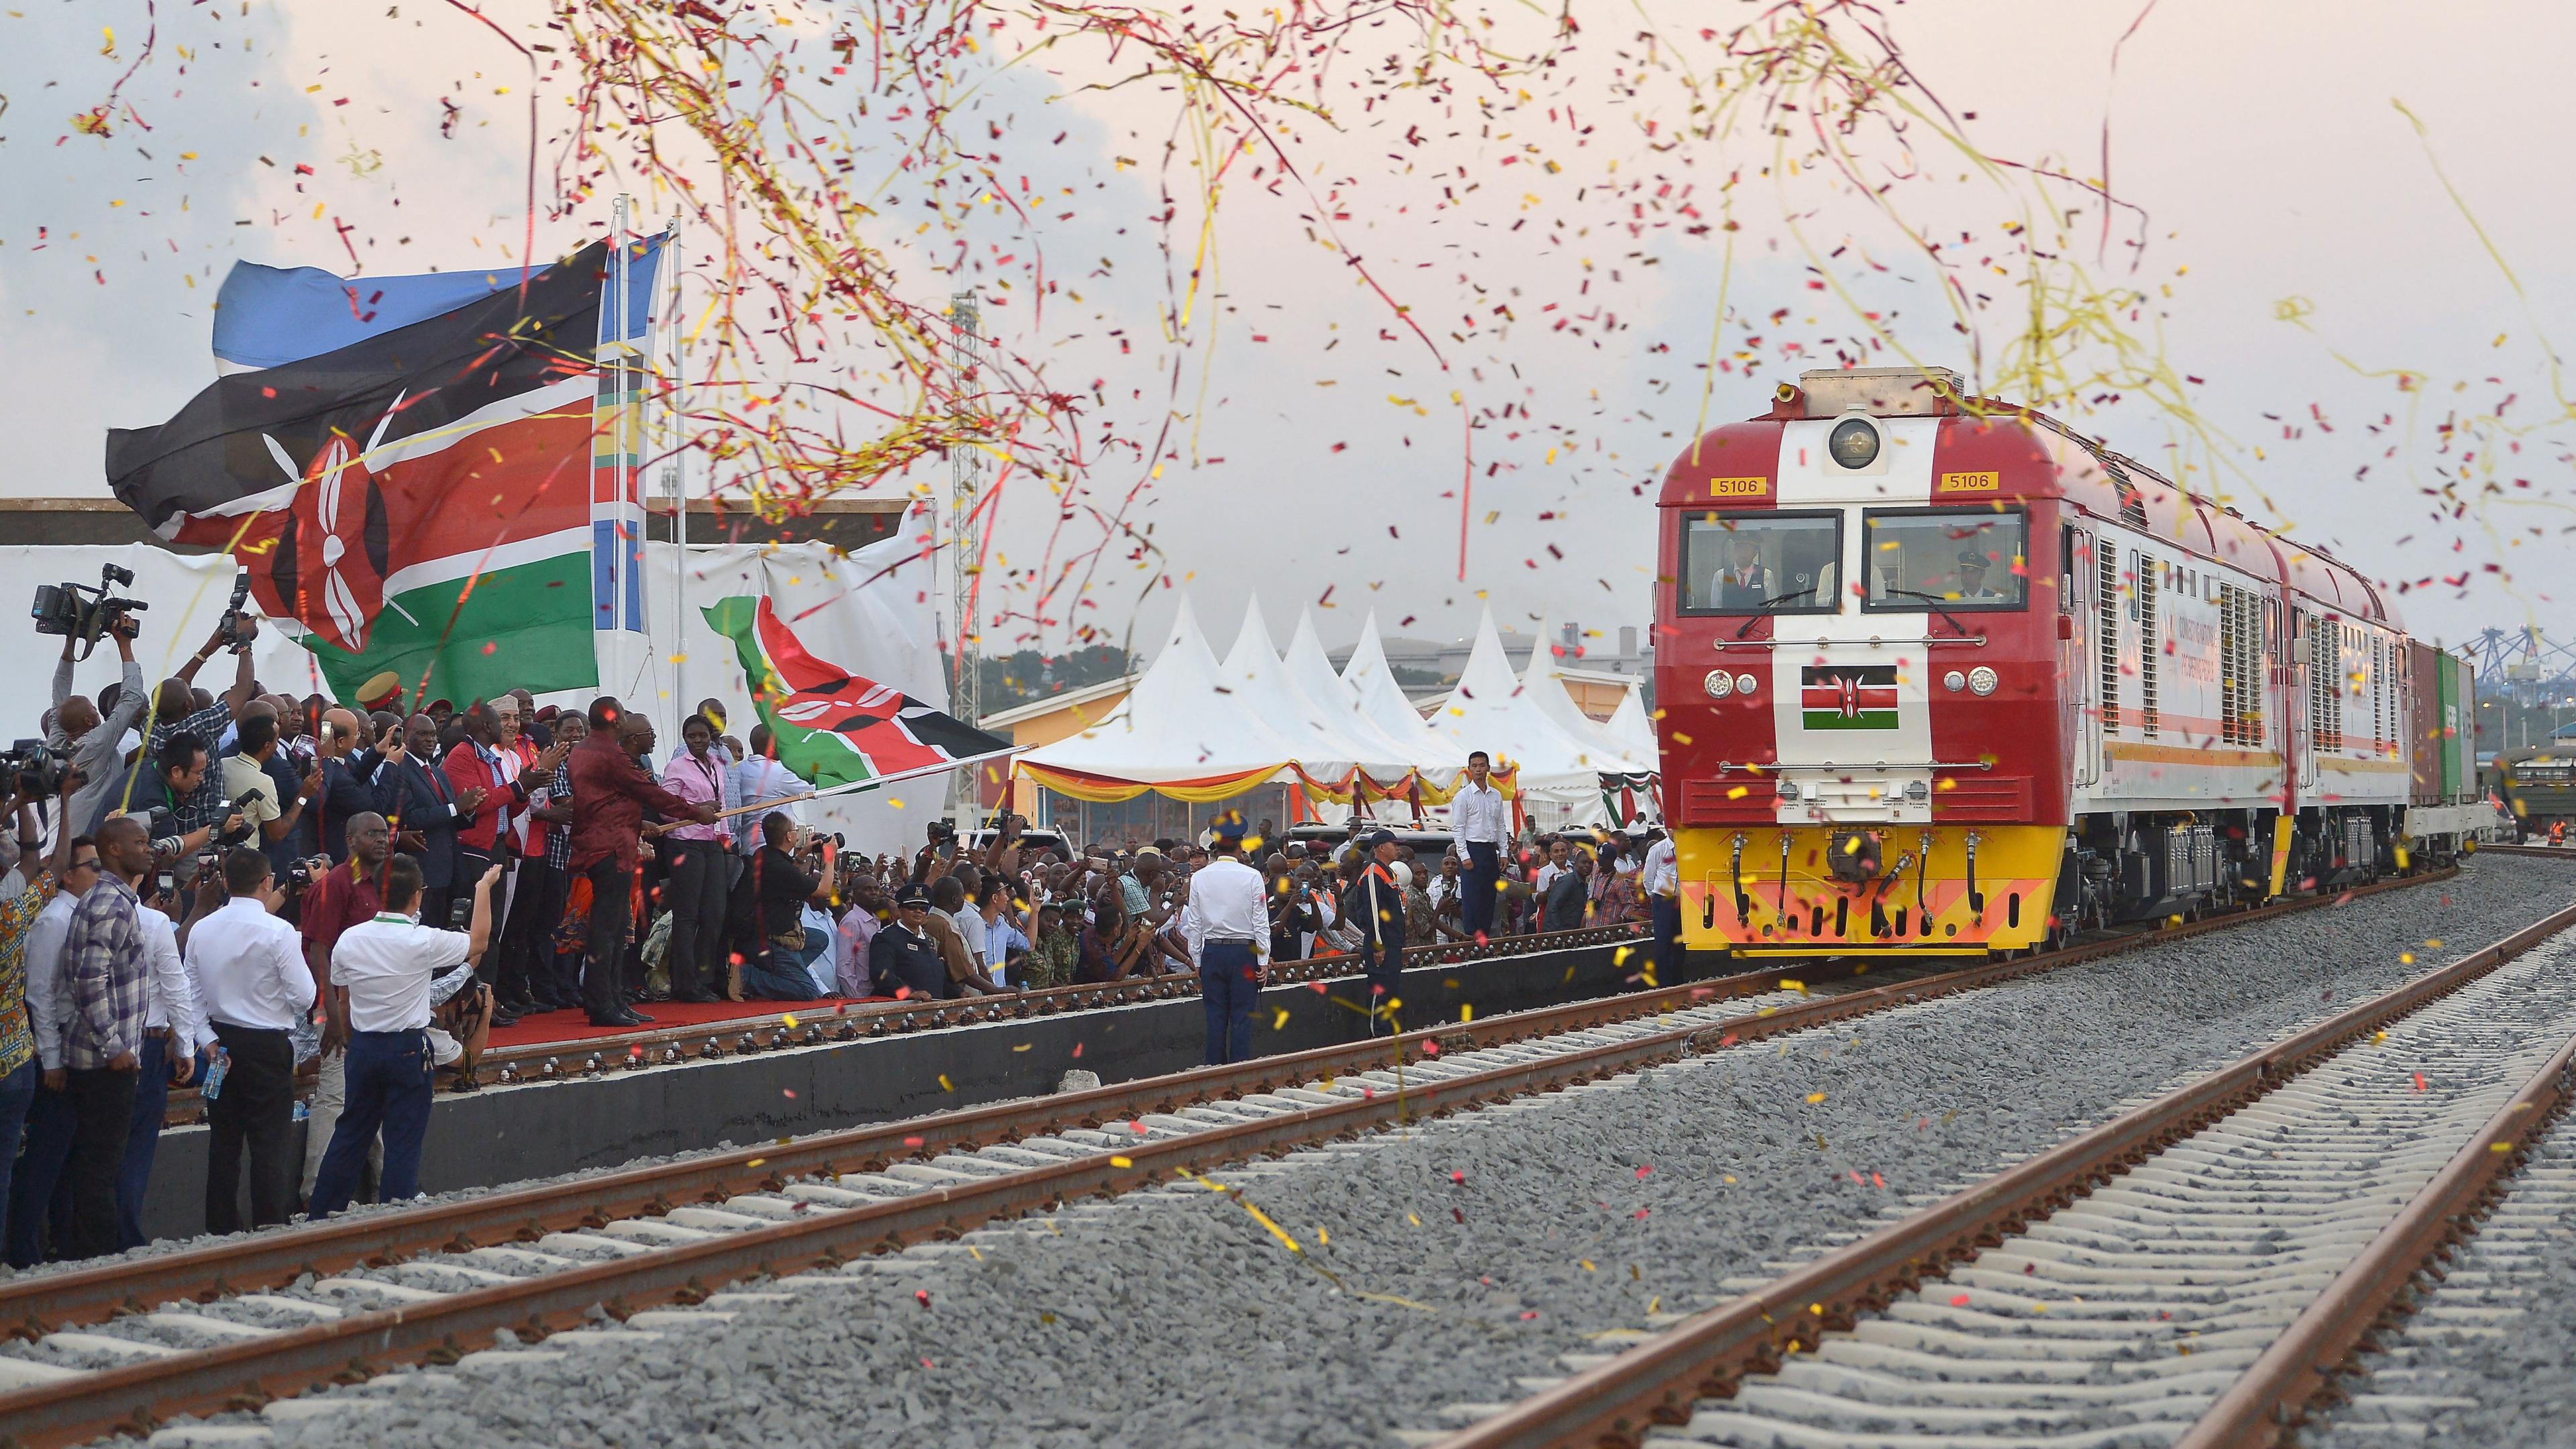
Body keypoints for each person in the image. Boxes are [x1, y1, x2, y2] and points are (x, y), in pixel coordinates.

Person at [307, 855, 500, 1218]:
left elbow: (344, 1000)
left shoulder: (350, 939)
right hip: (407, 1049)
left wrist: (354, 1041)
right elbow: (478, 943)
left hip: (363, 1047)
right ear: (417, 896)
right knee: (403, 1141)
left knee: (350, 1133)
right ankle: (395, 1217)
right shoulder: (422, 941)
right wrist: (482, 888)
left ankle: (321, 1213)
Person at [189, 847, 316, 1234]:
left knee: (224, 1141)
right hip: (266, 1044)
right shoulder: (278, 933)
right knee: (269, 1142)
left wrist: (206, 1038)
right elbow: (305, 996)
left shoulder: (201, 928)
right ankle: (269, 1222)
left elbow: (190, 993)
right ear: (268, 883)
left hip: (219, 1043)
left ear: (225, 882)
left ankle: (221, 1225)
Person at [568, 699, 716, 1028]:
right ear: (617, 721)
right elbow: (652, 794)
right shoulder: (611, 754)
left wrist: (637, 824)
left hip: (603, 844)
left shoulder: (582, 750)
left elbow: (607, 801)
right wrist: (698, 812)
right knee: (609, 930)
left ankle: (612, 1000)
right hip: (610, 849)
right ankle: (603, 1004)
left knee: (615, 927)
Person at [59, 815, 154, 1260]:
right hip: (103, 1063)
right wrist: (115, 1047)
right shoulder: (112, 906)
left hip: (101, 1057)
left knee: (95, 1165)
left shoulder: (110, 900)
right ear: (113, 850)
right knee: (100, 1168)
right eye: (139, 842)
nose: (148, 849)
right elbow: (88, 982)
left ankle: (90, 1254)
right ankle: (96, 1260)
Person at [0, 775, 82, 1263]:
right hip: (14, 1062)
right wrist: (57, 802)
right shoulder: (11, 914)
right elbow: (51, 862)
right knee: (4, 1167)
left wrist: (15, 800)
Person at [114, 868, 208, 1250]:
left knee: (99, 1146)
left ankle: (88, 1236)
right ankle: (125, 1236)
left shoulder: (77, 913)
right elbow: (175, 986)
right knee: (136, 1146)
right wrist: (185, 1046)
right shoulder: (153, 923)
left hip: (94, 1043)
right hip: (147, 1045)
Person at [299, 812, 390, 1203]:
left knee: (369, 1093)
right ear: (350, 840)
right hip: (336, 1009)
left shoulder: (376, 884)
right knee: (334, 1093)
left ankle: (386, 1186)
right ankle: (314, 1191)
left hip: (367, 1009)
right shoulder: (336, 884)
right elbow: (319, 950)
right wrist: (332, 1017)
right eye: (372, 834)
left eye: (385, 833)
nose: (382, 840)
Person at [388, 712, 486, 942]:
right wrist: (455, 807)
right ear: (405, 736)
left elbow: (451, 820)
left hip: (449, 870)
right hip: (424, 869)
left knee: (445, 937)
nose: (430, 740)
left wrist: (467, 810)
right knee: (424, 937)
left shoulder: (438, 773)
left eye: (433, 734)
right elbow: (411, 818)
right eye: (422, 734)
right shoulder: (400, 770)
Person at [658, 714, 735, 1004]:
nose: (698, 741)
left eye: (702, 736)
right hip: (684, 843)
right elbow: (666, 809)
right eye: (692, 736)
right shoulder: (676, 767)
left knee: (714, 913)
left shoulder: (717, 764)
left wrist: (724, 835)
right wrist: (697, 808)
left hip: (712, 843)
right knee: (687, 915)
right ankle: (685, 984)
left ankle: (705, 979)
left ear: (711, 737)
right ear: (685, 739)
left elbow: (722, 804)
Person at [1182, 812, 1267, 1065]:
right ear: (1241, 845)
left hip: (1212, 952)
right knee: (1242, 1016)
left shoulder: (1199, 877)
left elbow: (1194, 923)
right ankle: (1238, 1068)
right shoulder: (1252, 877)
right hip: (1244, 953)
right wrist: (1262, 959)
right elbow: (1260, 922)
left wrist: (1196, 958)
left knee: (1215, 1015)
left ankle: (1214, 1068)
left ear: (1215, 845)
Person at [50, 620, 146, 837]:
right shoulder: (95, 743)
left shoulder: (56, 743)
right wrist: (125, 646)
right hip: (80, 841)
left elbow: (60, 689)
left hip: (52, 835)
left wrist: (70, 642)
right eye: (93, 708)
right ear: (87, 721)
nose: (96, 710)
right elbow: (131, 700)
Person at [737, 814, 836, 1002]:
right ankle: (746, 976)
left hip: (761, 931)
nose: (797, 833)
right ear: (789, 837)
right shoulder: (780, 868)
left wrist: (803, 853)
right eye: (794, 830)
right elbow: (823, 891)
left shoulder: (763, 854)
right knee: (807, 991)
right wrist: (830, 858)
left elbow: (788, 872)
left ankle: (784, 974)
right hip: (772, 938)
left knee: (820, 939)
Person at [225, 703, 321, 887]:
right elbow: (277, 833)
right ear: (267, 746)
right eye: (277, 740)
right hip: (249, 862)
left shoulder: (223, 764)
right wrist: (303, 796)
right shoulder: (263, 782)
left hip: (228, 858)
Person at [1352, 828, 1406, 1036]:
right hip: (1382, 942)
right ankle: (1378, 1033)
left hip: (1393, 941)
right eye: (1394, 845)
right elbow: (1373, 911)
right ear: (1381, 848)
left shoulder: (1389, 872)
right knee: (1380, 988)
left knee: (1391, 987)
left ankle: (1388, 1030)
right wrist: (1378, 945)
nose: (1398, 849)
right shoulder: (1374, 873)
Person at [1453, 751, 1506, 940]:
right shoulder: (1463, 796)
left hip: (1490, 850)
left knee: (1489, 898)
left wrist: (1504, 852)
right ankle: (1471, 940)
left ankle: (1485, 938)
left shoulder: (1496, 795)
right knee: (1472, 899)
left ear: (1488, 768)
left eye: (1482, 765)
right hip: (1472, 849)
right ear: (1469, 769)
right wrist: (1464, 855)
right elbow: (1458, 828)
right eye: (1474, 766)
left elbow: (1500, 825)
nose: (1478, 769)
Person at [868, 884, 951, 1000]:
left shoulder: (928, 939)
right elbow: (881, 975)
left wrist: (960, 993)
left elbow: (936, 976)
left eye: (923, 908)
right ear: (900, 909)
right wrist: (909, 994)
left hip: (932, 1008)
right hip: (901, 1009)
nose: (918, 911)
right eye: (912, 907)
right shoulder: (886, 938)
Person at [731, 725, 804, 855]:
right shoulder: (778, 771)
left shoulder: (739, 768)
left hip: (747, 846)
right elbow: (817, 788)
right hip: (774, 849)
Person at [1641, 826, 1681, 975]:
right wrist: (1654, 896)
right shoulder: (1658, 849)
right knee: (1663, 940)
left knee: (1680, 941)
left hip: (1682, 900)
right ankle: (1663, 979)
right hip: (1663, 899)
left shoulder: (1686, 849)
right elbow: (1649, 877)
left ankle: (1677, 976)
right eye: (1672, 829)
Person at [1543, 845, 1593, 932]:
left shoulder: (1583, 883)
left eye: (1591, 863)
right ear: (1576, 863)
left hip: (1572, 933)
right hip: (1559, 933)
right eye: (1584, 863)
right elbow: (1552, 908)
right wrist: (1559, 933)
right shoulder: (1568, 881)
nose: (1587, 866)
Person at [1715, 534, 1772, 608]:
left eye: (1747, 549)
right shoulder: (1721, 575)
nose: (1743, 553)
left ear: (1755, 552)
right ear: (1735, 551)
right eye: (1740, 548)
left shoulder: (1766, 575)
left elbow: (1773, 607)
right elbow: (1716, 607)